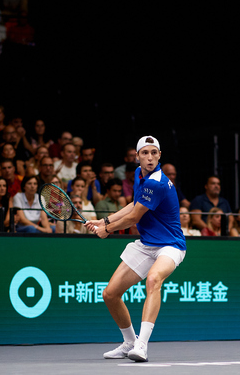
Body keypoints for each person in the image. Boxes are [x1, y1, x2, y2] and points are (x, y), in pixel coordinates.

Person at [84, 135, 186, 362]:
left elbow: (133, 217)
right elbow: (133, 205)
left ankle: (141, 345)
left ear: (159, 156)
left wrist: (107, 229)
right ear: (137, 157)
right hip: (146, 244)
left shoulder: (156, 182)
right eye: (145, 153)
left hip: (170, 246)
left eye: (154, 153)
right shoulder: (141, 176)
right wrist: (105, 221)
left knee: (153, 279)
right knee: (110, 294)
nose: (149, 158)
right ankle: (129, 341)